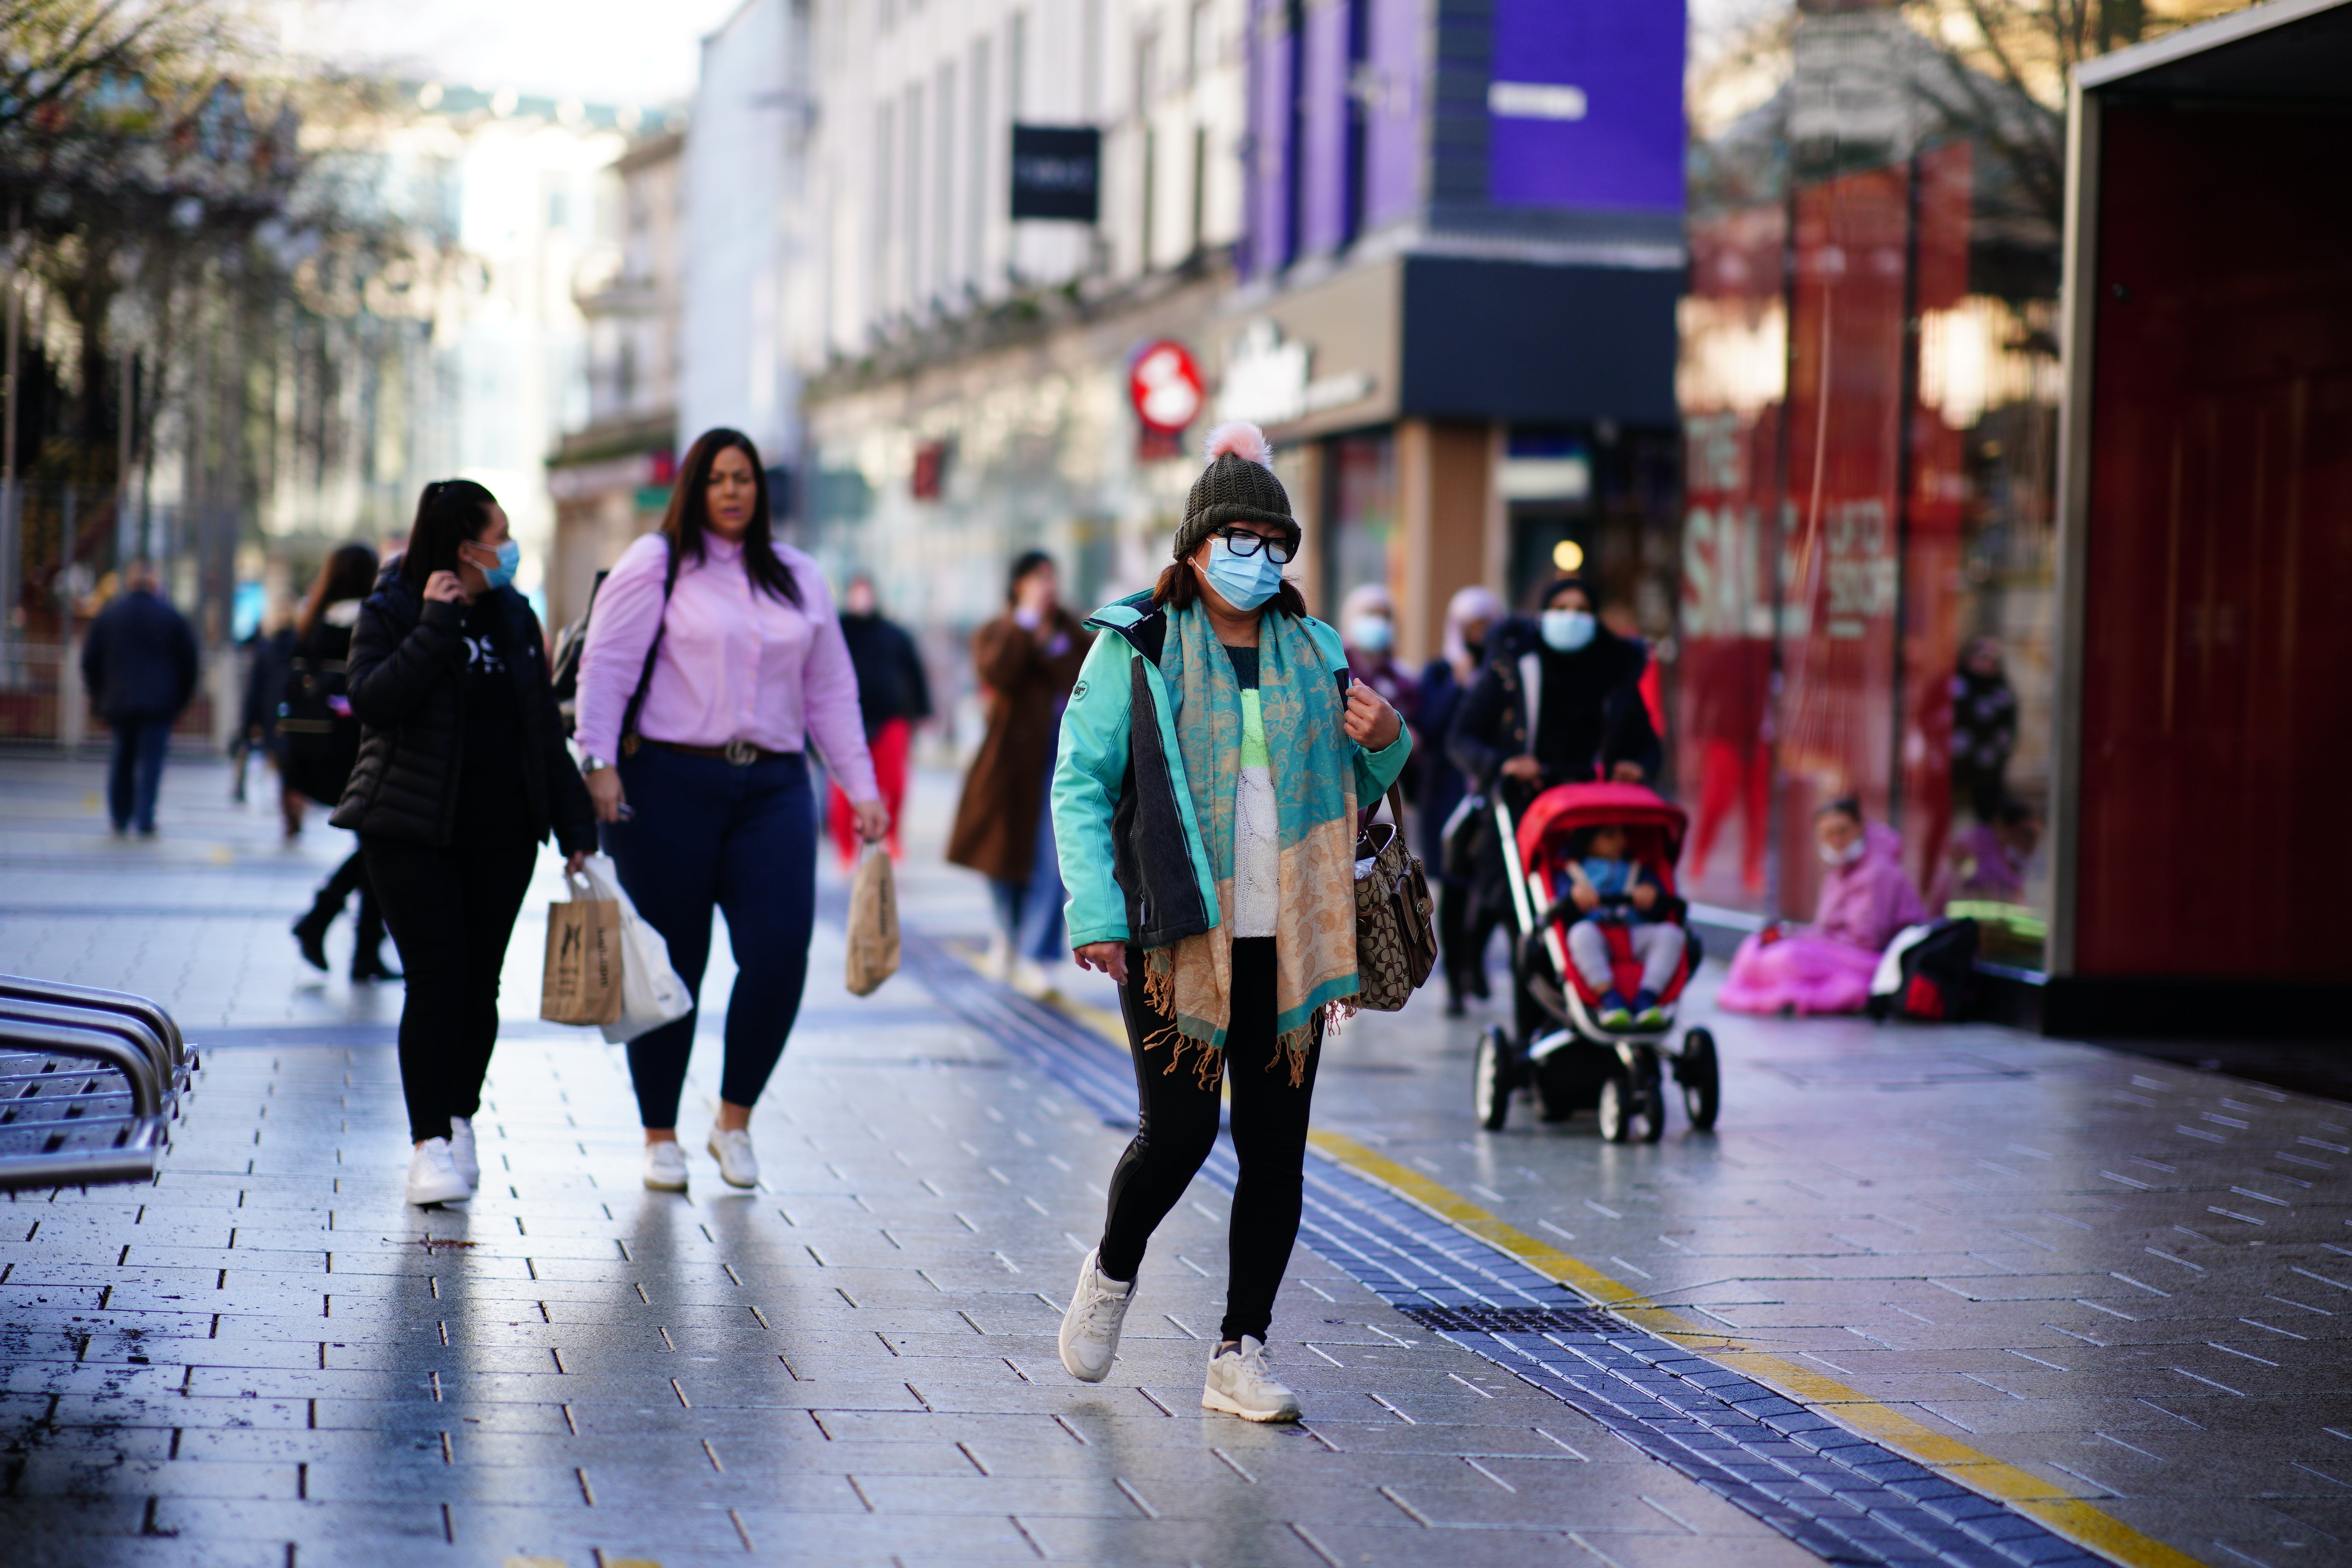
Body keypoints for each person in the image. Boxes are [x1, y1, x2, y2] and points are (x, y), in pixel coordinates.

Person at [1051, 421, 1410, 1424]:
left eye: (1273, 541)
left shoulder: (1315, 649)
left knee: (1275, 1148)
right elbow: (1081, 782)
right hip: (1178, 930)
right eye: (1237, 538)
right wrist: (1097, 909)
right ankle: (1114, 1269)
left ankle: (1240, 1351)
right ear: (1196, 544)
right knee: (1177, 1136)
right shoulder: (1140, 640)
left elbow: (1355, 779)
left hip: (1290, 941)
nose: (1257, 559)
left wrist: (1392, 740)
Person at [575, 428, 887, 1194]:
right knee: (672, 966)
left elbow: (830, 691)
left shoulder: (798, 576)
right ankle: (658, 1135)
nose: (732, 490)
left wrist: (862, 786)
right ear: (695, 487)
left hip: (776, 787)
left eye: (744, 477)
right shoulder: (657, 563)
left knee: (780, 955)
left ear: (760, 488)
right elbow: (606, 670)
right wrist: (599, 763)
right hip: (668, 783)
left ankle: (733, 1120)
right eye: (716, 478)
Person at [333, 481, 597, 1207]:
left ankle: (458, 1118)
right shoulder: (391, 606)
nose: (509, 551)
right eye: (499, 537)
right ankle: (427, 1146)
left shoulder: (515, 614)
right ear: (461, 548)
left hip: (503, 833)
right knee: (437, 980)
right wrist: (433, 625)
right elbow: (375, 701)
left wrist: (578, 826)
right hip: (410, 830)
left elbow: (541, 727)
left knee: (481, 985)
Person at [946, 551, 1091, 999]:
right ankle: (1009, 934)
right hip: (1008, 767)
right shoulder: (1000, 631)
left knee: (1057, 859)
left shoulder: (1074, 632)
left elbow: (1091, 678)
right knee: (1002, 860)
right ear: (1017, 585)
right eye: (1034, 578)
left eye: (1050, 577)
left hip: (1062, 760)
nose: (1045, 586)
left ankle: (1037, 953)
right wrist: (1025, 626)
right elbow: (998, 674)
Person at [285, 544, 399, 982]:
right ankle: (327, 924)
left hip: (317, 750)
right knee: (377, 842)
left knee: (375, 844)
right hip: (358, 750)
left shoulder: (312, 619)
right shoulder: (368, 620)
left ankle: (356, 945)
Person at [1716, 797, 1926, 1016]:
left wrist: (1807, 941)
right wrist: (1794, 934)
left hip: (1872, 961)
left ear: (1861, 828)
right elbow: (1826, 929)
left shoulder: (1879, 872)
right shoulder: (1838, 871)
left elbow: (1866, 940)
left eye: (1843, 831)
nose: (1836, 840)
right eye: (1828, 834)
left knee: (1786, 958)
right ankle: (1778, 996)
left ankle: (1790, 998)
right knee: (1755, 946)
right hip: (1841, 951)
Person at [1416, 585, 1500, 1014]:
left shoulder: (1505, 674)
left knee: (1490, 888)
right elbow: (1429, 725)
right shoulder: (1438, 673)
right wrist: (1460, 684)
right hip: (1446, 798)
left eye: (1488, 626)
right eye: (1473, 627)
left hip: (1492, 798)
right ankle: (1454, 979)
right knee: (1452, 886)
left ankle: (1474, 960)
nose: (1480, 635)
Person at [80, 559, 198, 838]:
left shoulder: (110, 616)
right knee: (152, 761)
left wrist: (99, 697)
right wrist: (181, 701)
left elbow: (90, 661)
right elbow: (190, 663)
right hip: (160, 703)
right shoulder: (171, 617)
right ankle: (145, 817)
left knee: (122, 757)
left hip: (119, 700)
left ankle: (120, 816)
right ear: (155, 583)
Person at [829, 573, 931, 865]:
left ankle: (893, 835)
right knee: (844, 790)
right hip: (848, 721)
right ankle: (846, 848)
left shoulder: (894, 634)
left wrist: (923, 711)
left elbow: (914, 673)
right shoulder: (836, 632)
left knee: (895, 784)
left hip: (890, 719)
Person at [1561, 824, 1685, 1029]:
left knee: (1671, 935)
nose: (1621, 841)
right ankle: (1609, 997)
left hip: (1635, 931)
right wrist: (1573, 896)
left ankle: (1647, 996)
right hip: (1597, 933)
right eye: (1610, 835)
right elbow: (1560, 907)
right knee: (1580, 934)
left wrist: (1651, 894)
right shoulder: (1571, 872)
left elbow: (1661, 904)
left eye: (1623, 834)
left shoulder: (1637, 870)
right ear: (1587, 842)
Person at [1338, 583, 1421, 786]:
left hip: (1392, 783)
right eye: (1370, 615)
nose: (1378, 622)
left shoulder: (1403, 676)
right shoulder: (1335, 667)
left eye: (1384, 617)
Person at [1951, 637, 2018, 824]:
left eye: (1995, 660)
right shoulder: (1954, 684)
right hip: (1953, 767)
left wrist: (2001, 754)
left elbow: (2009, 726)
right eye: (1983, 658)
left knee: (1988, 817)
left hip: (1988, 768)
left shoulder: (2001, 689)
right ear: (1968, 659)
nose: (1990, 664)